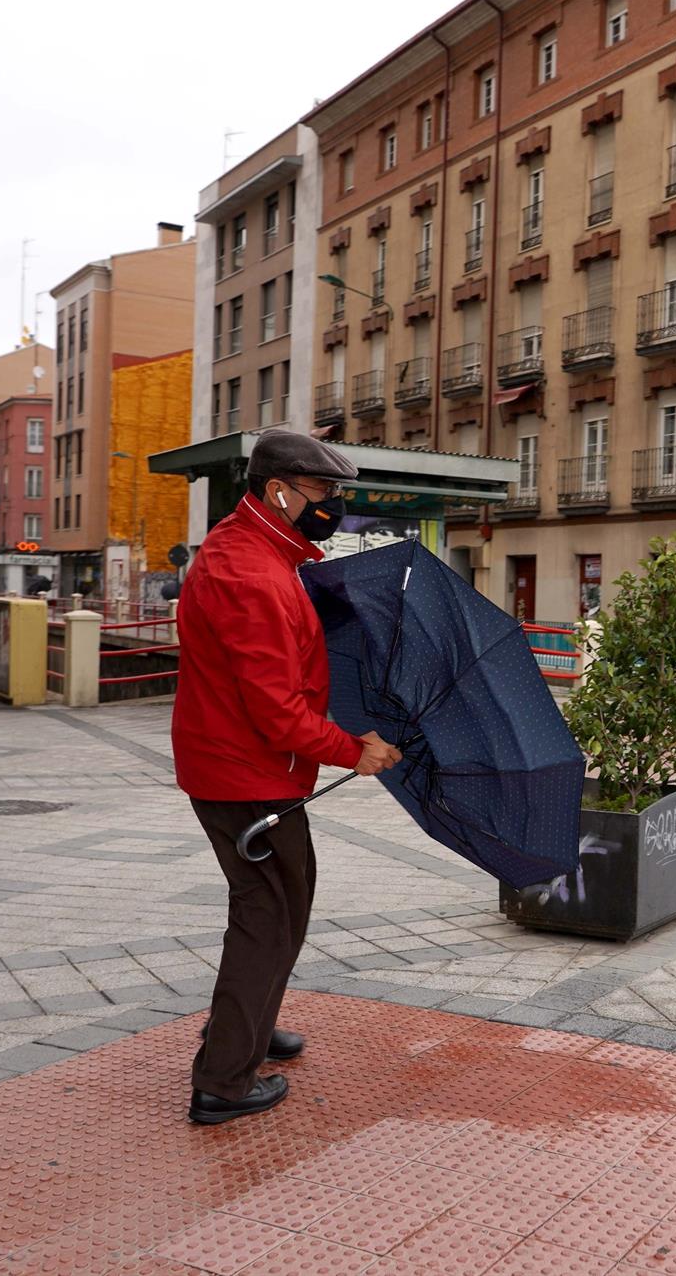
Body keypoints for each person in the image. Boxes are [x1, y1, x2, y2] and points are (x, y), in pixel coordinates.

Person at [171, 431, 403, 1125]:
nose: (333, 506)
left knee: (271, 909)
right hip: (248, 774)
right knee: (270, 918)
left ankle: (246, 1025)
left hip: (239, 766)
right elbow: (277, 712)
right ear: (281, 490)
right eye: (324, 493)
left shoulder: (253, 550)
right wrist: (351, 750)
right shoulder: (253, 574)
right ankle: (223, 1081)